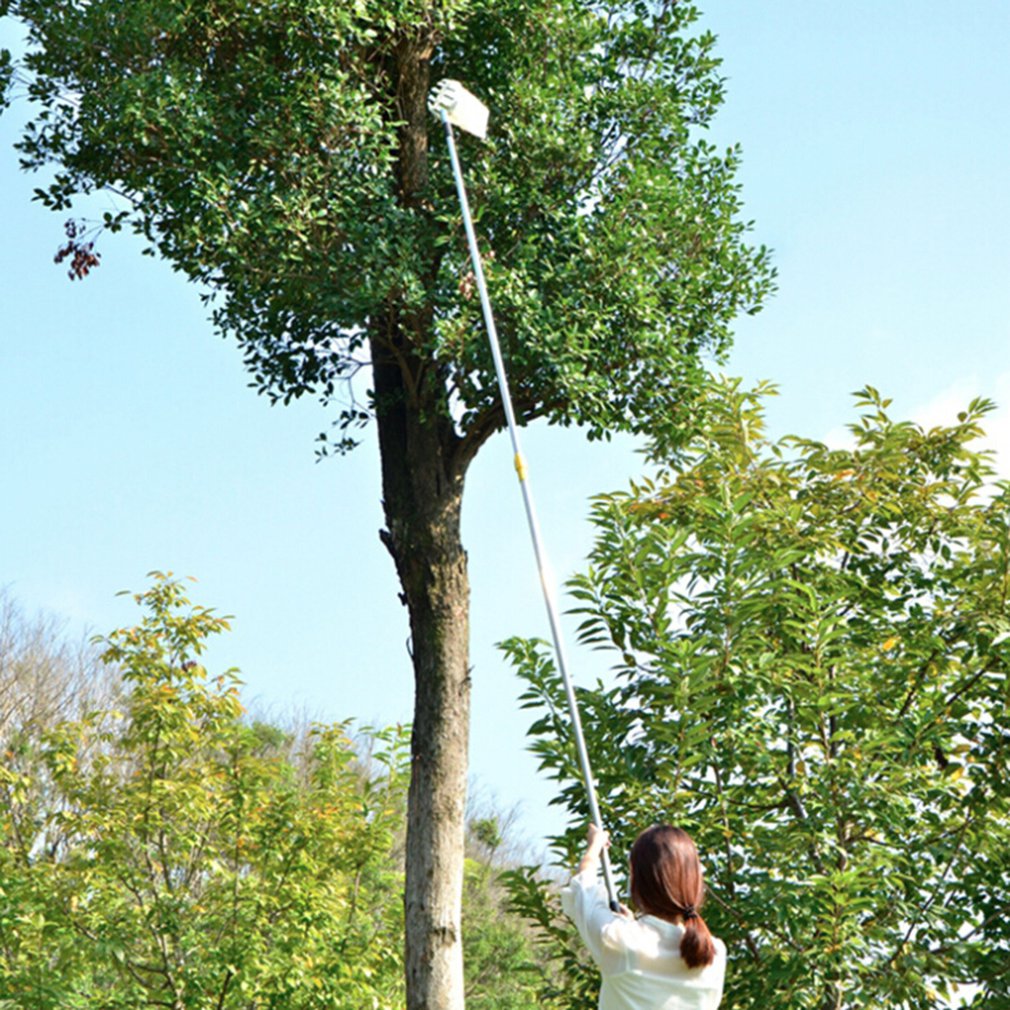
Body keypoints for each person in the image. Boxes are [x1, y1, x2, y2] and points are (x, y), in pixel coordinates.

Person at [561, 823, 726, 1010]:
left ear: (638, 882)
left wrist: (594, 847)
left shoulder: (621, 940)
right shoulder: (716, 953)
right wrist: (631, 924)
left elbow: (584, 890)